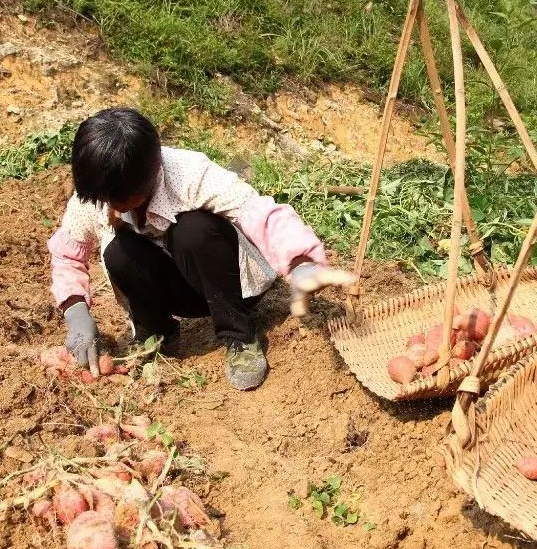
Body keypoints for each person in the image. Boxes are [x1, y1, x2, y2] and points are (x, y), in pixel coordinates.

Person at [47, 107, 354, 390]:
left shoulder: (189, 174)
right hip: (180, 292)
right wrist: (76, 312)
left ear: (148, 177)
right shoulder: (100, 193)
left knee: (192, 230)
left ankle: (240, 336)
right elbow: (67, 252)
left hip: (232, 284)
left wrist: (301, 263)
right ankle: (156, 333)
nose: (108, 206)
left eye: (117, 200)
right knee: (118, 251)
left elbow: (258, 212)